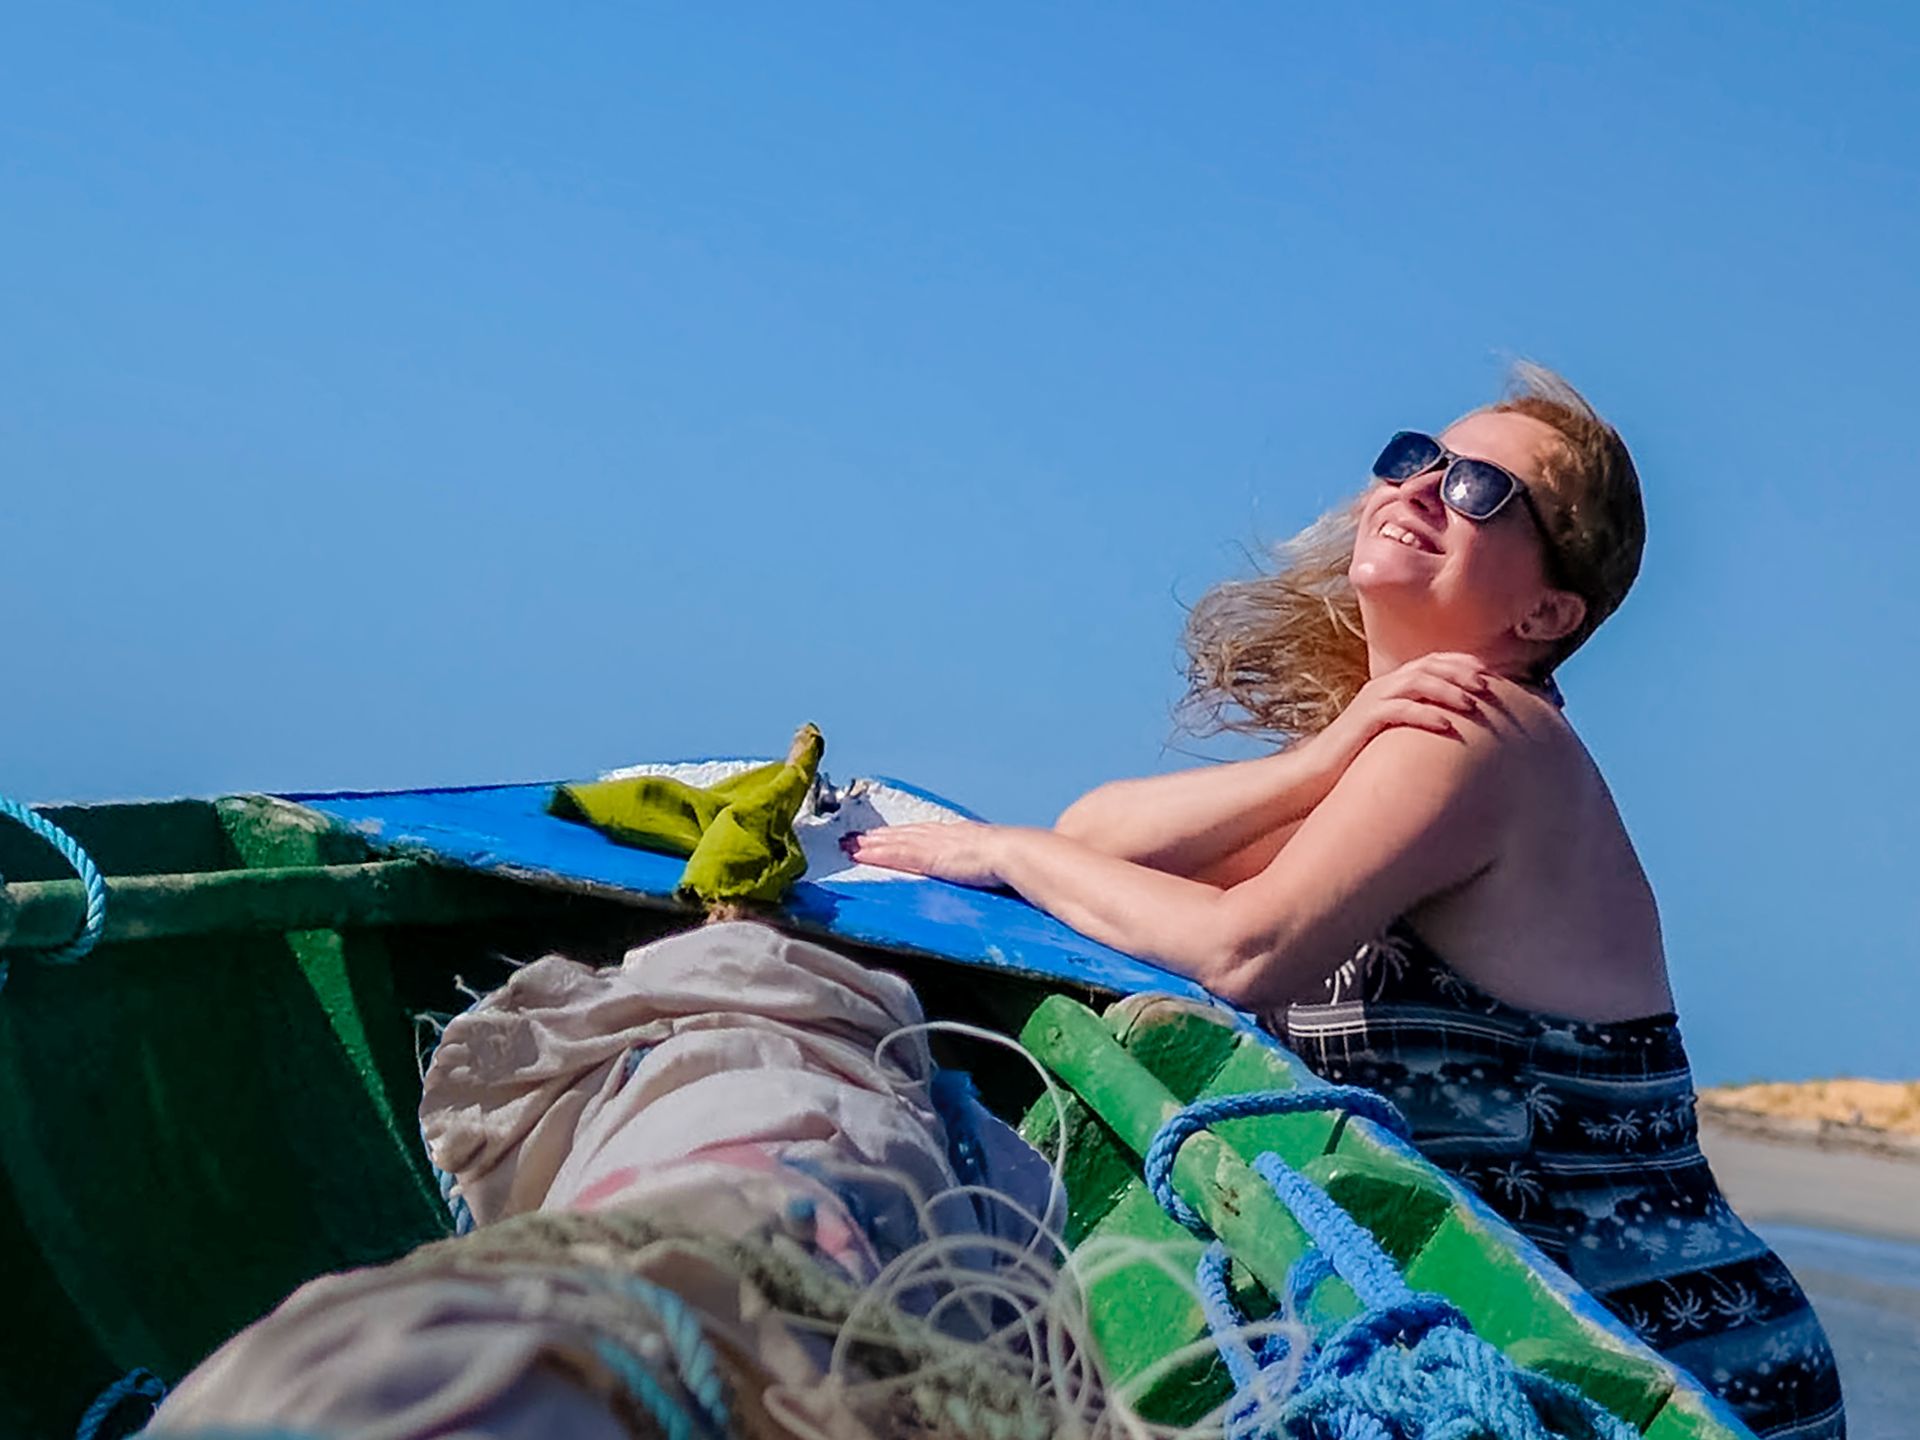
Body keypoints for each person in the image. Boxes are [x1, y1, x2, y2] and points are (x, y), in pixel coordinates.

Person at [846, 365, 1845, 1439]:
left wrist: (1005, 850)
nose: (1420, 488)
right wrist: (1322, 754)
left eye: (1479, 491)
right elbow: (1090, 842)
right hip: (1522, 1340)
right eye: (1419, 459)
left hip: (1658, 1372)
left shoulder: (1478, 742)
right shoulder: (1393, 748)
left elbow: (1242, 947)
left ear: (1550, 608)